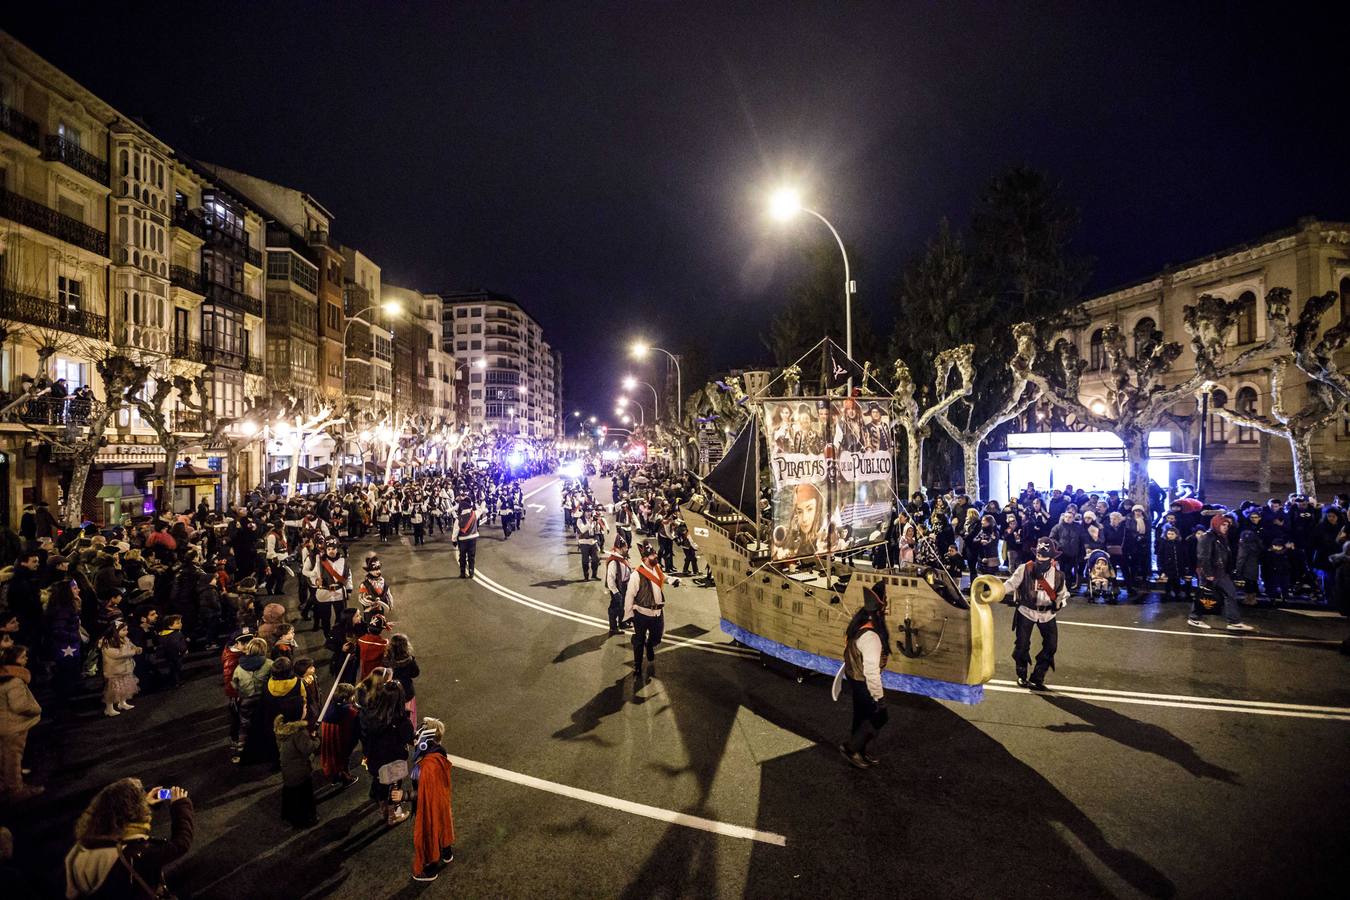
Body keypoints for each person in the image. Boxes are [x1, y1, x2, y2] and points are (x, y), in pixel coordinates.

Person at [64, 779, 194, 899]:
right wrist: (181, 805)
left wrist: (144, 804)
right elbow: (181, 844)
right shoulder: (135, 853)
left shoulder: (82, 846)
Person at [1002, 537, 1068, 690]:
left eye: (1044, 556)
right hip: (1026, 611)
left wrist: (1059, 603)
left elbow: (1062, 595)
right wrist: (995, 591)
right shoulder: (1025, 568)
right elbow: (1010, 584)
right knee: (1022, 644)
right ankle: (1022, 674)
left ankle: (1038, 675)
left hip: (1047, 614)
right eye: (1038, 555)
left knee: (1051, 646)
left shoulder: (1059, 575)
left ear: (1052, 558)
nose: (1040, 558)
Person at [839, 582, 889, 769]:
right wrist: (879, 696)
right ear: (879, 609)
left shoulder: (859, 623)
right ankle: (851, 749)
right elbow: (871, 671)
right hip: (863, 682)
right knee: (879, 717)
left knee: (861, 717)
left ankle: (859, 751)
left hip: (855, 677)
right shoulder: (871, 637)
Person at [361, 680, 414, 826]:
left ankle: (382, 809)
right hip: (393, 761)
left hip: (374, 759)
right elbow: (410, 738)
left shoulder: (369, 715)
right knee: (394, 787)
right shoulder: (402, 722)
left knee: (380, 783)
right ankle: (393, 815)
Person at [623, 541, 677, 683]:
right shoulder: (636, 575)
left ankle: (650, 645)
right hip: (641, 614)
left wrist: (672, 580)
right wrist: (628, 614)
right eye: (652, 555)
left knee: (657, 638)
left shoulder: (657, 568)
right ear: (644, 559)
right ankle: (638, 665)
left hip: (657, 614)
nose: (655, 556)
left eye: (654, 554)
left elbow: (663, 577)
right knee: (638, 641)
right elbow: (629, 595)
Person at [410, 717, 456, 882]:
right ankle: (446, 852)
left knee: (429, 830)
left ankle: (429, 869)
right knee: (443, 822)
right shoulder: (436, 754)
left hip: (430, 804)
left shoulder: (429, 764)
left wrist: (406, 796)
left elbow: (424, 795)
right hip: (441, 799)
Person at [1190, 515, 1255, 631]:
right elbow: (1203, 557)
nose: (1226, 527)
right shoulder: (1207, 537)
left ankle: (1233, 621)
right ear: (1216, 524)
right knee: (1205, 595)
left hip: (1220, 572)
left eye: (1227, 525)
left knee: (1221, 594)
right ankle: (1196, 618)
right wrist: (1208, 573)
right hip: (1212, 572)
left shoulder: (1221, 536)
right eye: (1223, 525)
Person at [0, 645, 43, 801]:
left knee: (3, 756)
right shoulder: (15, 681)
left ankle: (4, 783)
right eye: (23, 656)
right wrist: (35, 709)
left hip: (4, 725)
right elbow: (19, 705)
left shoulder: (4, 678)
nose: (27, 659)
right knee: (13, 758)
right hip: (14, 726)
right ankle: (16, 789)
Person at [276, 710, 317, 828]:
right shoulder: (299, 732)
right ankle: (304, 820)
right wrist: (316, 740)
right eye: (303, 707)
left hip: (288, 769)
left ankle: (290, 815)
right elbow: (307, 748)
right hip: (300, 770)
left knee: (292, 793)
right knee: (303, 796)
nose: (305, 708)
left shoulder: (282, 728)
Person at [319, 683, 360, 787]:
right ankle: (345, 778)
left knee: (334, 757)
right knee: (343, 759)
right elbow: (356, 726)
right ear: (347, 698)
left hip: (330, 738)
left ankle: (335, 777)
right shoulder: (349, 711)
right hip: (343, 740)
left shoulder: (330, 706)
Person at [97, 622, 142, 717]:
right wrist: (133, 652)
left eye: (126, 629)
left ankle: (122, 703)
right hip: (114, 670)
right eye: (124, 630)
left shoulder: (125, 639)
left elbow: (131, 645)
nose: (127, 632)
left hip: (125, 669)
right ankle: (109, 709)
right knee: (113, 690)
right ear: (115, 631)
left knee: (124, 687)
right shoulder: (108, 642)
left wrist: (136, 648)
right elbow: (117, 654)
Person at [603, 536, 633, 635]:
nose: (627, 549)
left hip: (625, 585)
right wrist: (615, 592)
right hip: (618, 587)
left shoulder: (622, 558)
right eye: (625, 547)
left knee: (623, 606)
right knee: (615, 608)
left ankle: (622, 622)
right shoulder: (614, 562)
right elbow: (610, 579)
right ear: (618, 549)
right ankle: (613, 628)